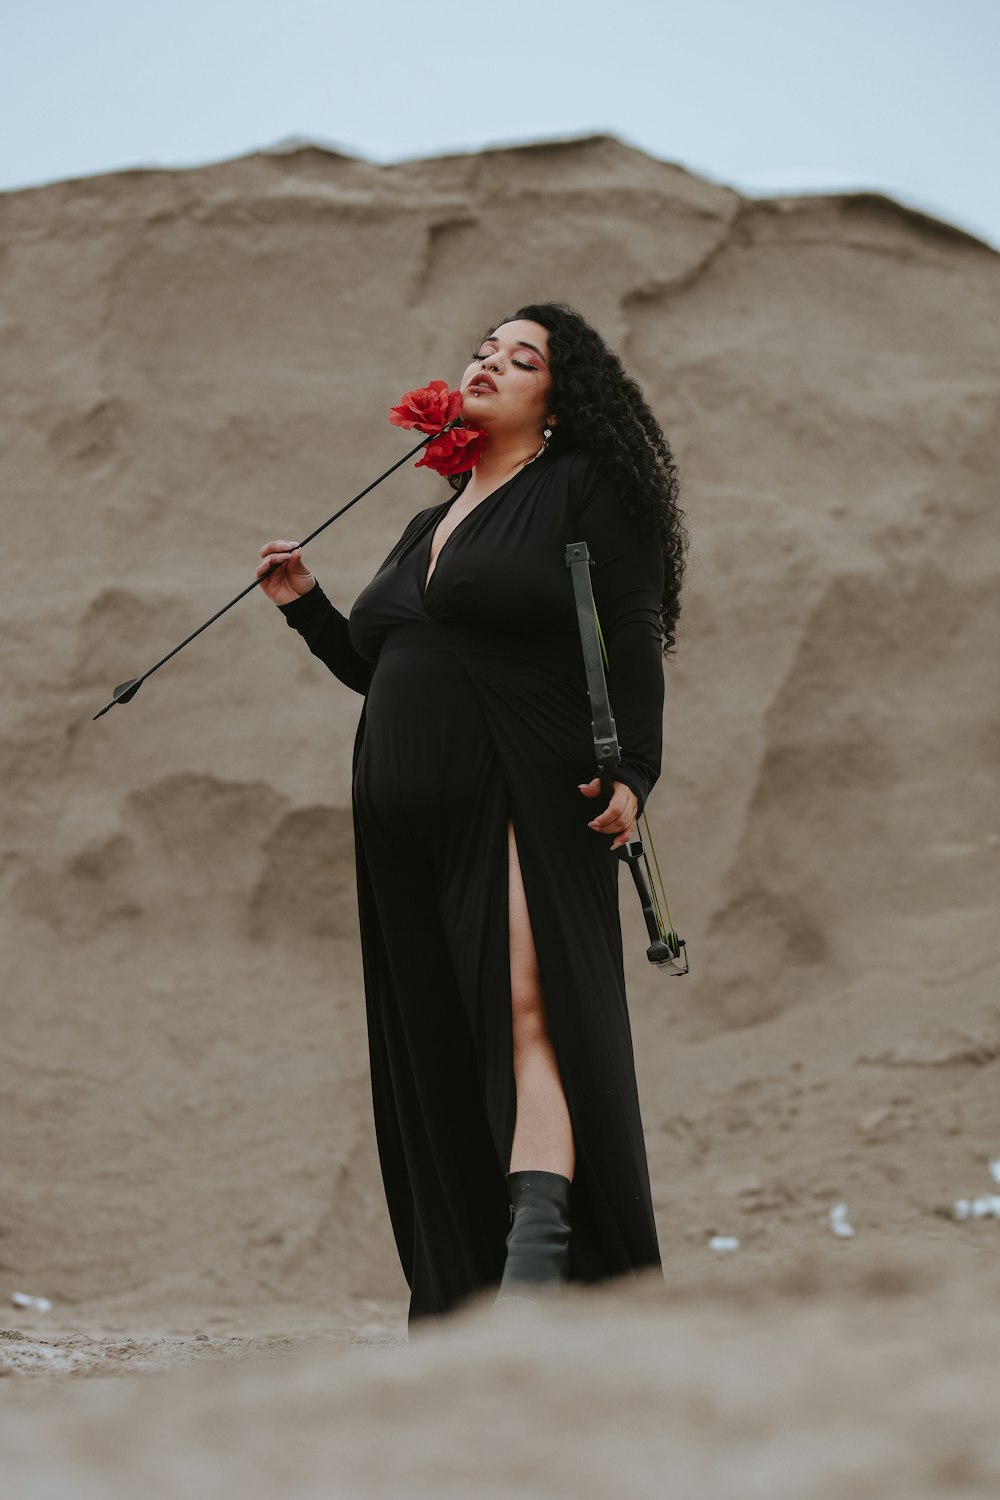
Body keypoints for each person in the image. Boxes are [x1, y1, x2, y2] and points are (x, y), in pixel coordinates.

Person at [257, 301, 687, 1326]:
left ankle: (535, 1281)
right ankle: (460, 1294)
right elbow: (386, 665)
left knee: (530, 1018)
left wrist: (634, 773)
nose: (489, 363)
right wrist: (305, 604)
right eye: (483, 350)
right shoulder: (426, 521)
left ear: (559, 395)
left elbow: (630, 637)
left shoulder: (582, 489)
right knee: (438, 1040)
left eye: (521, 356)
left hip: (521, 788)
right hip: (401, 815)